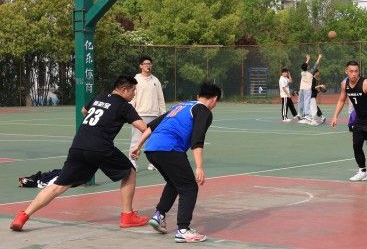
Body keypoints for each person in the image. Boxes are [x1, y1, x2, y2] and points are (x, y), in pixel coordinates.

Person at [10, 75, 149, 231]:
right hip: (100, 147)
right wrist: (138, 145)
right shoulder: (124, 106)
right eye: (133, 90)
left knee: (58, 186)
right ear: (123, 89)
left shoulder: (100, 97)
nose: (134, 94)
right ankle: (127, 216)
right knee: (129, 172)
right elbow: (144, 128)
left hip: (79, 145)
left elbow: (84, 111)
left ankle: (23, 216)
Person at [131, 82, 221, 243]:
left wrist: (138, 146)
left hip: (152, 149)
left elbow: (151, 127)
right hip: (169, 149)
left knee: (174, 182)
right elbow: (197, 140)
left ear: (198, 96)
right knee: (189, 187)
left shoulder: (180, 106)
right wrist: (199, 167)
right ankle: (183, 230)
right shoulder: (203, 111)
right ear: (214, 99)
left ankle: (159, 215)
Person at [331, 61, 367, 183]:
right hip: (360, 119)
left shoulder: (365, 83)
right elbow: (341, 100)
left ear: (359, 72)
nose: (354, 74)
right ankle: (363, 171)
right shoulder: (344, 84)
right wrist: (335, 116)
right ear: (346, 72)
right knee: (356, 145)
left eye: (356, 71)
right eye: (351, 71)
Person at [130, 55, 166, 171]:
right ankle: (132, 163)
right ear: (141, 66)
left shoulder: (155, 80)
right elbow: (132, 98)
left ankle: (153, 163)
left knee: (153, 141)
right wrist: (131, 114)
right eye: (145, 64)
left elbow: (160, 98)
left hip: (154, 115)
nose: (148, 66)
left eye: (149, 64)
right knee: (136, 140)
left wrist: (163, 114)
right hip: (139, 115)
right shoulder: (135, 80)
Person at [298, 54, 322, 121]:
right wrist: (319, 57)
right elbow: (315, 65)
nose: (308, 66)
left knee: (301, 102)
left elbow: (304, 66)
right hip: (307, 89)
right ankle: (306, 115)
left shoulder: (302, 72)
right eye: (308, 66)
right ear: (307, 67)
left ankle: (299, 114)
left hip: (301, 89)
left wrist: (308, 60)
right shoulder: (311, 73)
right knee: (306, 102)